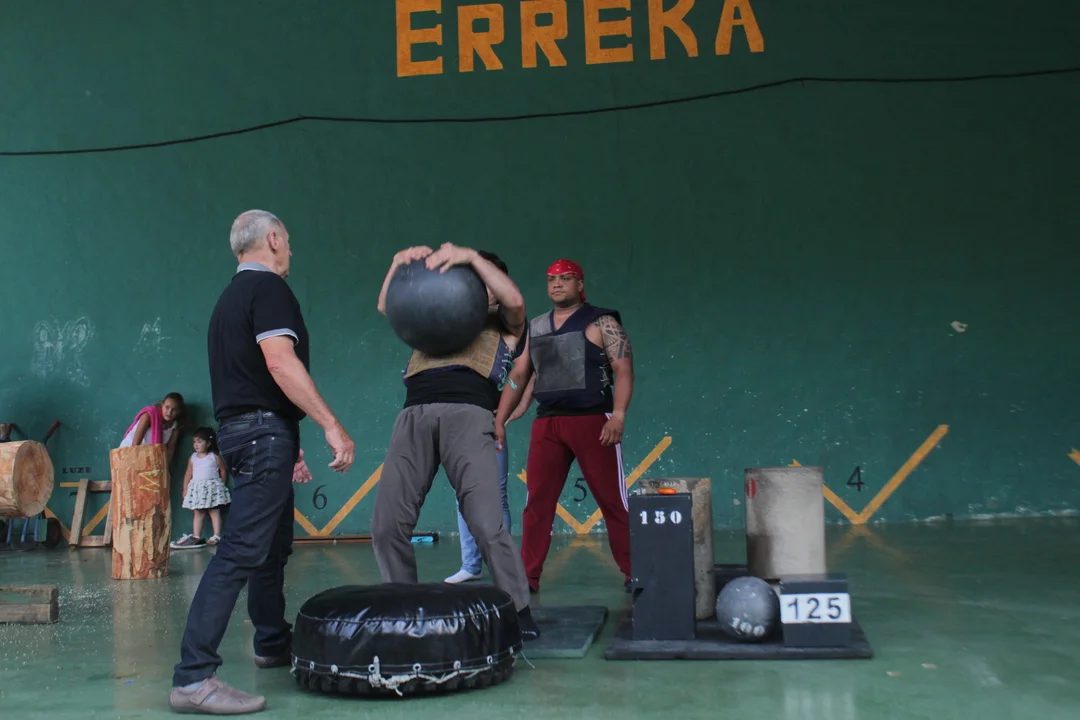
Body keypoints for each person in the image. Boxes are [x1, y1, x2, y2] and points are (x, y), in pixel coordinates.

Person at [169, 210, 356, 715]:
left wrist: (288, 436)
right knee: (240, 551)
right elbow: (278, 362)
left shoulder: (228, 299)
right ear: (273, 239)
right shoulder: (269, 287)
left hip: (247, 433)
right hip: (261, 435)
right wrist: (329, 423)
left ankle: (272, 642)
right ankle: (193, 677)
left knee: (269, 548)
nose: (290, 250)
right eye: (287, 240)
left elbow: (250, 376)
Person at [370, 242, 540, 640]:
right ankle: (403, 609)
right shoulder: (432, 315)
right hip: (414, 414)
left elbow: (515, 301)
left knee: (486, 524)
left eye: (483, 280)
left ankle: (518, 611)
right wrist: (396, 263)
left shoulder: (505, 323)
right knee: (386, 525)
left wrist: (473, 259)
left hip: (468, 414)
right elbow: (387, 306)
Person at [495, 259, 635, 593]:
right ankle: (528, 577)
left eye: (566, 278)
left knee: (612, 501)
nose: (557, 284)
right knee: (537, 503)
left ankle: (636, 571)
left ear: (580, 284)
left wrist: (618, 416)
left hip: (593, 422)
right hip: (548, 424)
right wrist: (500, 418)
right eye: (551, 279)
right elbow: (521, 373)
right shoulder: (536, 326)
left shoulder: (602, 322)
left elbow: (624, 370)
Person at [443, 384, 533, 585]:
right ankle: (470, 566)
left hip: (490, 424)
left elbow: (523, 376)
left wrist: (512, 408)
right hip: (458, 427)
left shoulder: (495, 366)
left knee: (498, 496)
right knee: (462, 496)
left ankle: (504, 567)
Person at [171, 427, 232, 549]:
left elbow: (222, 470)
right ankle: (196, 537)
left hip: (212, 488)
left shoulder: (214, 456)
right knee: (198, 513)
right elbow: (188, 473)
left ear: (208, 443)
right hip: (198, 489)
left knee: (214, 511)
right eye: (194, 442)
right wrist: (185, 488)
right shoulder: (193, 457)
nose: (196, 445)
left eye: (199, 442)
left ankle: (216, 536)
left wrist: (221, 484)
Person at [119, 392, 186, 464]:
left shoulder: (175, 426)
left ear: (179, 411)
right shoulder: (149, 416)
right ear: (162, 405)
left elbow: (170, 450)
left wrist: (165, 468)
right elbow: (135, 444)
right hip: (129, 452)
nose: (169, 412)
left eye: (174, 410)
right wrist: (134, 462)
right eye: (167, 407)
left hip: (147, 458)